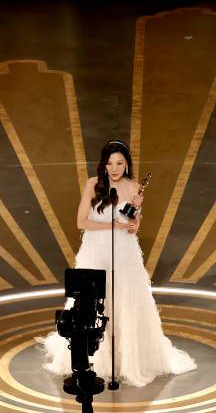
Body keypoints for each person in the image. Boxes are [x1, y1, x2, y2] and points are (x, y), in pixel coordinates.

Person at [36, 140, 196, 387]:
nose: (114, 168)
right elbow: (81, 222)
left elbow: (134, 226)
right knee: (92, 303)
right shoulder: (93, 185)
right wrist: (114, 226)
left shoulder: (134, 186)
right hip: (95, 252)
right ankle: (92, 359)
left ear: (127, 164)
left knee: (126, 302)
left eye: (120, 163)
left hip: (125, 254)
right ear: (103, 164)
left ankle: (126, 362)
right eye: (110, 163)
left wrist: (135, 222)